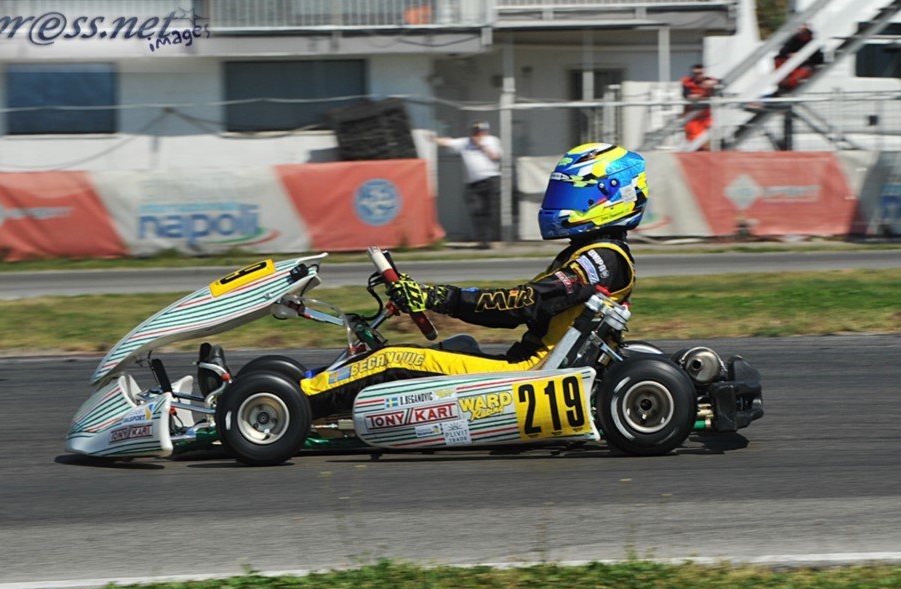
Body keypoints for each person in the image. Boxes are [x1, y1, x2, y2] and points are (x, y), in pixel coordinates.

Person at [300, 142, 648, 419]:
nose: (560, 203)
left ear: (609, 196)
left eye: (571, 194)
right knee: (459, 346)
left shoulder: (601, 258)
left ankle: (293, 404)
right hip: (531, 365)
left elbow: (523, 305)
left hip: (528, 374)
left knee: (391, 361)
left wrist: (436, 297)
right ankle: (304, 387)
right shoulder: (591, 253)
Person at [432, 121, 502, 249]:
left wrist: (481, 146)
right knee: (476, 211)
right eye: (475, 133)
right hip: (473, 183)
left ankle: (487, 240)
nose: (477, 136)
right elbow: (448, 142)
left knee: (489, 211)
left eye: (480, 133)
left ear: (485, 132)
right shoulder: (465, 142)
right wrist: (433, 138)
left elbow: (495, 156)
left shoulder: (492, 141)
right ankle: (482, 239)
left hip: (489, 180)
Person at [773, 24, 824, 95]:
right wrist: (790, 54)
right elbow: (783, 51)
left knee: (797, 75)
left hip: (805, 65)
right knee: (778, 60)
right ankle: (782, 85)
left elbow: (818, 59)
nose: (802, 34)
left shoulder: (813, 42)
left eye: (804, 32)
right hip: (791, 64)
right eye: (801, 32)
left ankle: (786, 87)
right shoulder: (794, 40)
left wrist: (805, 57)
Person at [680, 64, 719, 144]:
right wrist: (703, 94)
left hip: (705, 116)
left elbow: (722, 83)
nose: (698, 76)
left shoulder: (709, 80)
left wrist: (714, 82)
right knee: (693, 139)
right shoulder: (687, 82)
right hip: (692, 116)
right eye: (695, 73)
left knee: (707, 139)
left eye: (700, 73)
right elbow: (688, 96)